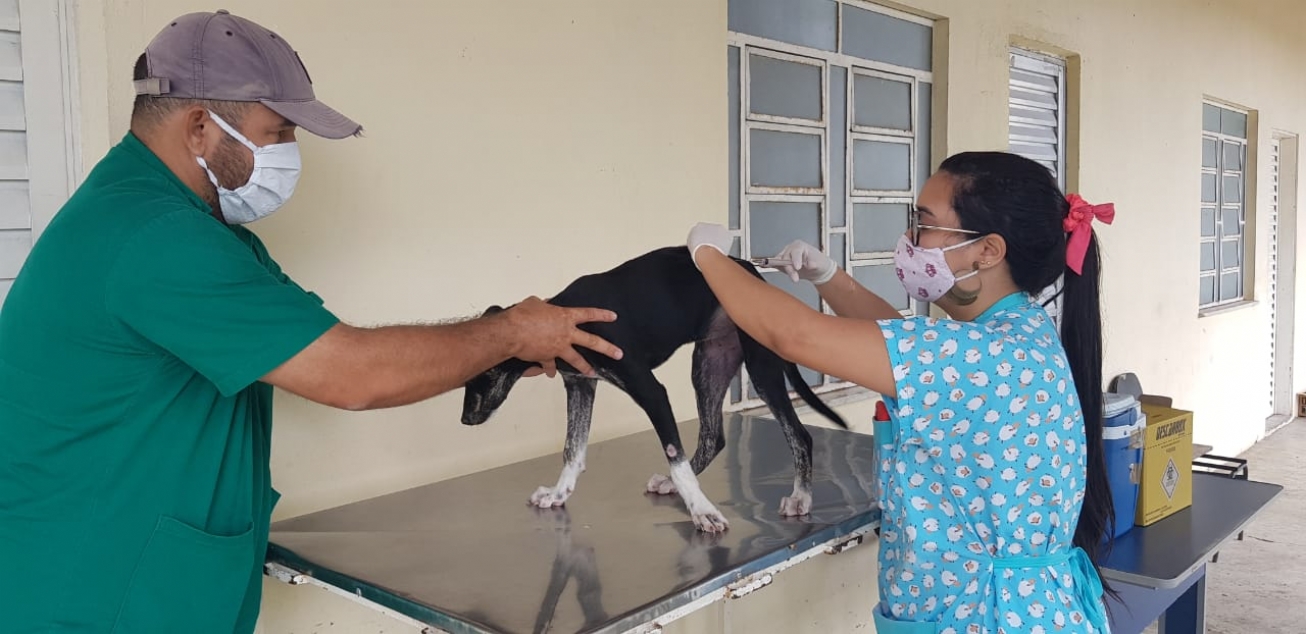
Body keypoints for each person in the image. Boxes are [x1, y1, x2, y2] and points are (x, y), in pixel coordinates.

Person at [0, 10, 622, 634]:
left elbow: (327, 346)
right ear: (199, 128)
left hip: (144, 574)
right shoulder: (156, 239)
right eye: (277, 132)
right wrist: (511, 332)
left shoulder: (197, 230)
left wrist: (500, 344)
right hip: (98, 595)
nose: (288, 154)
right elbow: (350, 373)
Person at [686, 151, 1116, 633]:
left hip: (985, 618)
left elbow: (796, 336)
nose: (911, 240)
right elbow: (896, 339)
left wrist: (708, 258)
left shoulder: (980, 354)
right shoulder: (1015, 334)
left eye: (924, 223)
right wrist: (826, 276)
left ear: (987, 251)